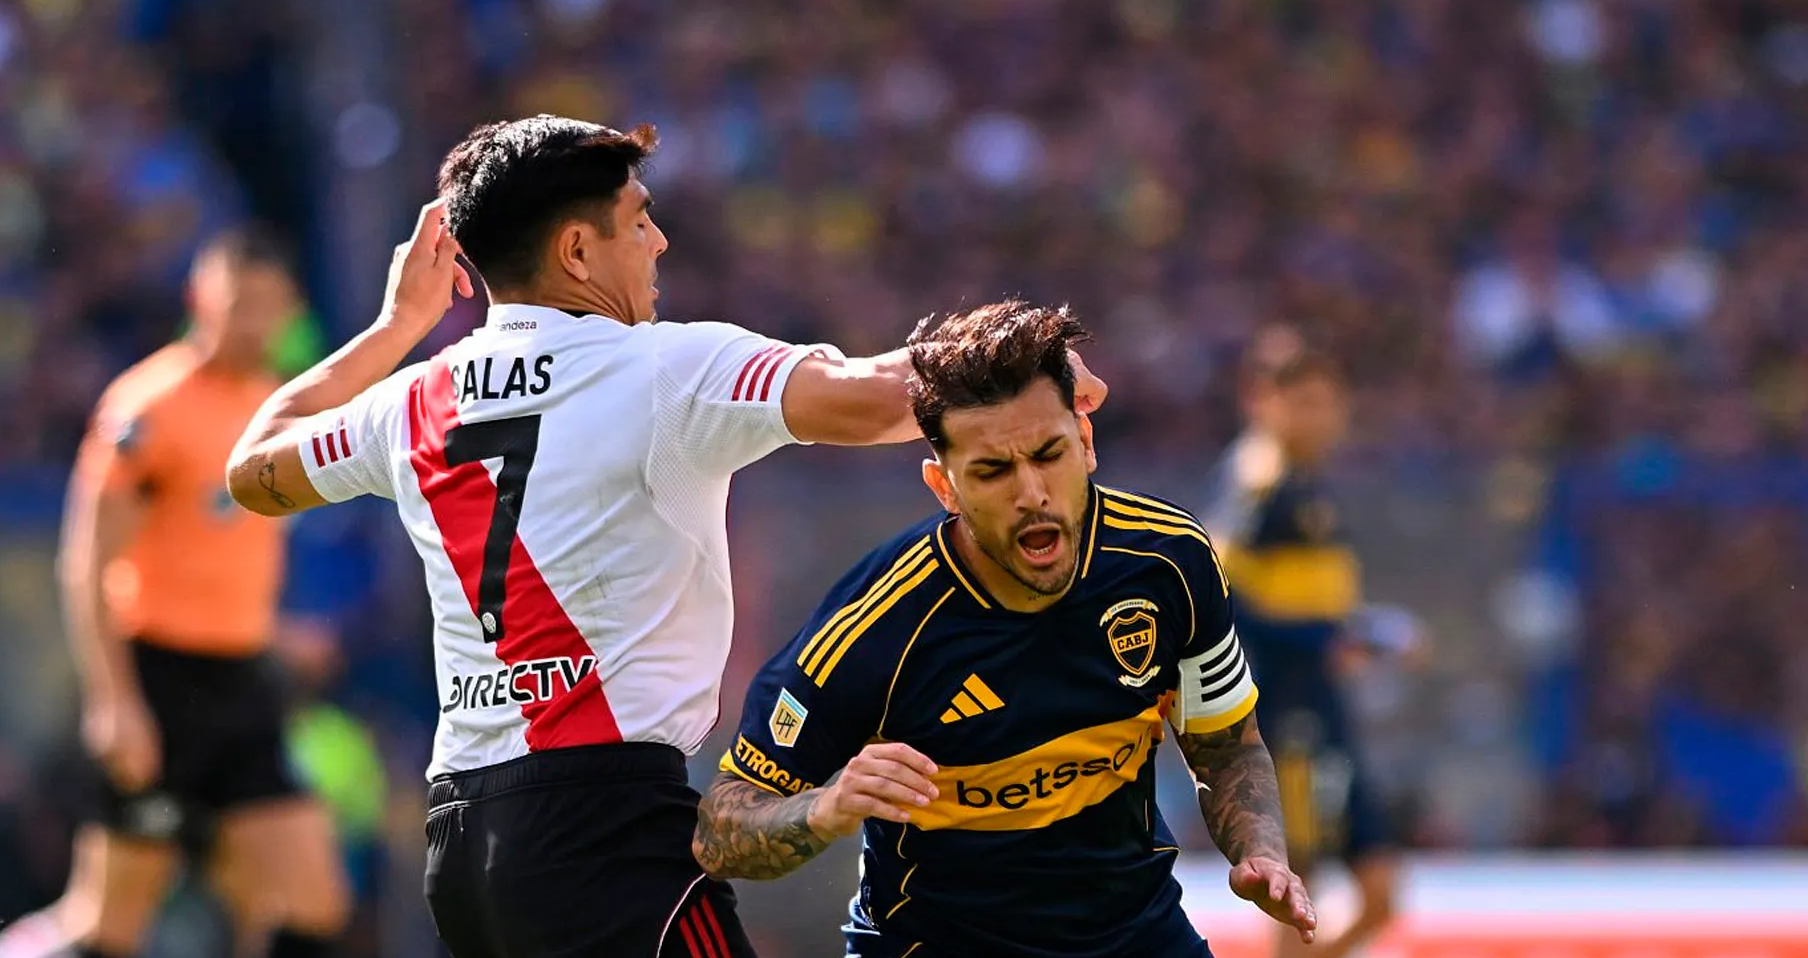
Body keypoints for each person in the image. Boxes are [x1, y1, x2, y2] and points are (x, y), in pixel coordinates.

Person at [221, 116, 1107, 958]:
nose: (659, 244)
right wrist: (1027, 362)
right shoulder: (664, 371)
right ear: (577, 250)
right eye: (638, 221)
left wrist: (393, 329)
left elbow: (252, 466)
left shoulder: (409, 399)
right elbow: (877, 396)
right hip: (604, 829)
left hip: (461, 839)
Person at [692, 300, 1316, 958]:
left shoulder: (1170, 563)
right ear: (945, 487)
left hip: (1138, 939)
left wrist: (1260, 851)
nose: (1031, 493)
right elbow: (720, 831)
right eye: (992, 471)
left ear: (1086, 443)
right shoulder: (876, 629)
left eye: (1049, 454)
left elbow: (1226, 746)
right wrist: (824, 807)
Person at [0, 231, 353, 958]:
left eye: (266, 309)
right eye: (236, 305)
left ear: (289, 313)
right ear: (199, 304)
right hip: (159, 682)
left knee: (315, 904)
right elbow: (87, 560)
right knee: (109, 925)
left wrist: (275, 635)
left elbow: (216, 553)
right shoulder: (147, 407)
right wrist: (114, 701)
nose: (251, 323)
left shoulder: (270, 408)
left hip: (242, 683)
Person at [1206, 326, 1422, 958]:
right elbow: (1223, 600)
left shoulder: (1301, 482)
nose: (1320, 418)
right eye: (1302, 401)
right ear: (1261, 401)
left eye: (1327, 401)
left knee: (1378, 890)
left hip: (1324, 707)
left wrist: (1354, 634)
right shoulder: (1259, 483)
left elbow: (1308, 601)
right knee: (1299, 890)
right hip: (1285, 714)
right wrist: (1339, 640)